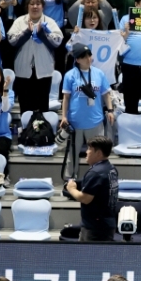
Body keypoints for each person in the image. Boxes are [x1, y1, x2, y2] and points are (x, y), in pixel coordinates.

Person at [61, 44, 115, 180]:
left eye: (89, 55)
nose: (88, 59)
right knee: (72, 155)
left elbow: (106, 94)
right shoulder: (70, 75)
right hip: (75, 122)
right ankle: (70, 181)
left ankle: (99, 179)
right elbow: (66, 98)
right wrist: (64, 117)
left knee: (99, 153)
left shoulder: (99, 73)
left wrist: (110, 110)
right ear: (77, 59)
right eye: (84, 57)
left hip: (95, 121)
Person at [8, 0, 64, 114]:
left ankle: (41, 126)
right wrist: (27, 32)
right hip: (23, 70)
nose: (35, 6)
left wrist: (42, 34)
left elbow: (57, 42)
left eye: (38, 4)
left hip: (44, 71)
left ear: (42, 7)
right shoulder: (19, 21)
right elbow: (12, 41)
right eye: (32, 4)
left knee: (42, 108)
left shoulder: (50, 22)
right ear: (27, 6)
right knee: (25, 108)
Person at [65, 136, 119, 242]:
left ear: (98, 153)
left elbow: (85, 198)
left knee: (90, 253)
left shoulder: (95, 172)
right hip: (106, 224)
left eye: (90, 149)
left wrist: (71, 189)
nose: (86, 152)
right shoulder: (111, 168)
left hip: (95, 228)